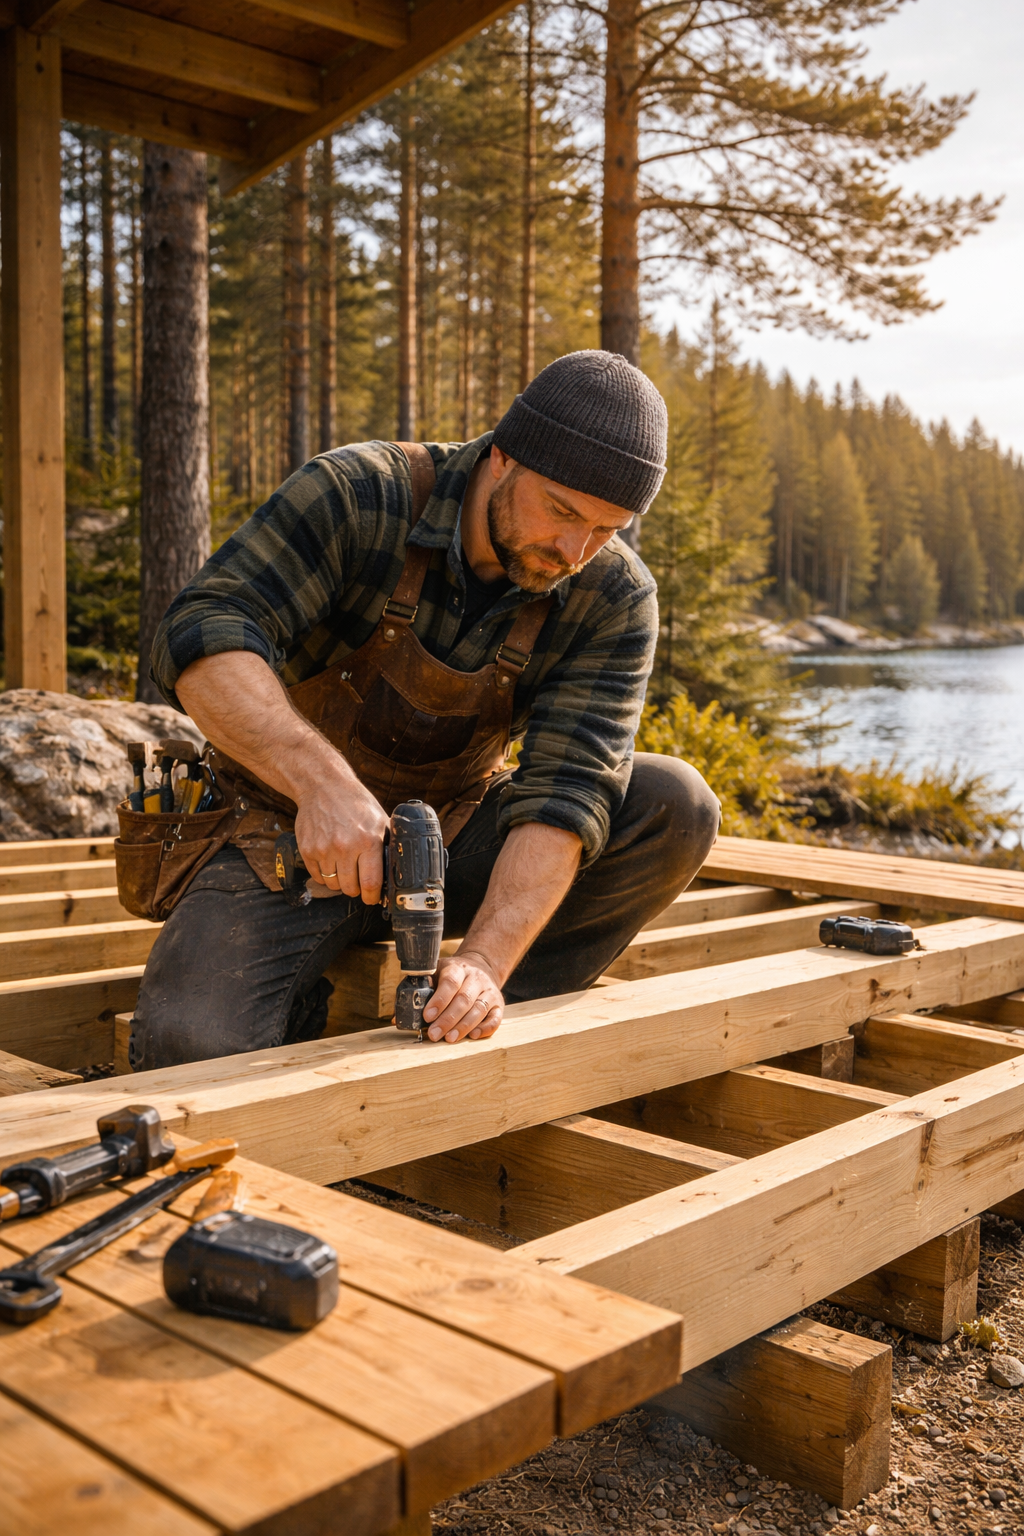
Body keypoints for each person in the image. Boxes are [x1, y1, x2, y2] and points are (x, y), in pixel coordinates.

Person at [129, 350, 720, 1070]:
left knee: (673, 803)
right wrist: (319, 784)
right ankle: (299, 1002)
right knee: (189, 1047)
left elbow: (568, 793)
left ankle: (469, 1019)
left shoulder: (613, 595)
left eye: (606, 528)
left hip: (453, 833)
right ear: (502, 458)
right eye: (562, 511)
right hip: (283, 837)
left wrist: (485, 964)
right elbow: (202, 632)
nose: (573, 550)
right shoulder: (359, 495)